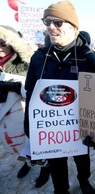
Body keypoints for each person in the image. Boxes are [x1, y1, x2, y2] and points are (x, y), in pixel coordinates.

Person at [23, 0, 95, 194]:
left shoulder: (88, 58)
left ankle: (84, 181)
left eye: (57, 22)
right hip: (51, 129)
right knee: (57, 163)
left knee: (81, 159)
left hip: (78, 128)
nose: (51, 27)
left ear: (73, 27)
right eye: (47, 22)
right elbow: (31, 91)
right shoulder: (40, 56)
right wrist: (30, 127)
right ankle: (61, 189)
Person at [0, 25, 50, 188]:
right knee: (21, 145)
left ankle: (45, 168)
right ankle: (26, 162)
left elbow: (38, 92)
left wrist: (15, 87)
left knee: (37, 143)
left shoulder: (26, 63)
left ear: (12, 43)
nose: (0, 48)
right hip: (7, 116)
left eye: (2, 43)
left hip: (27, 112)